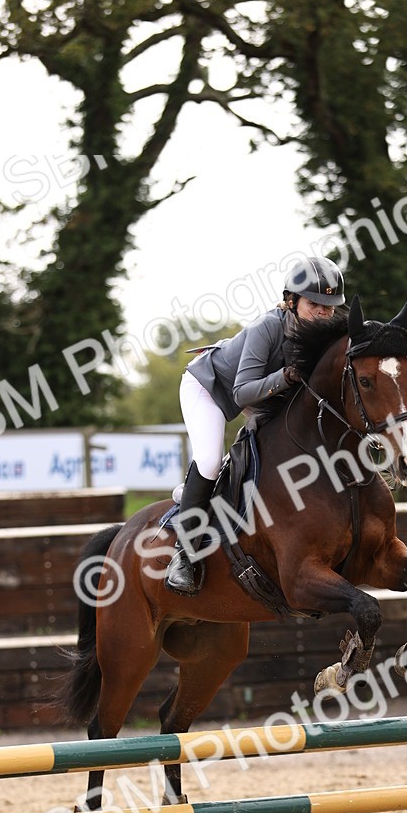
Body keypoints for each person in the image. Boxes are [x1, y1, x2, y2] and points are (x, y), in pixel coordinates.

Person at [165, 255, 346, 596]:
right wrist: (285, 376)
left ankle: (208, 490)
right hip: (210, 388)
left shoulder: (320, 340)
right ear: (291, 301)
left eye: (329, 307)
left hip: (260, 396)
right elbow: (242, 390)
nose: (323, 312)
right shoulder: (268, 327)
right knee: (208, 461)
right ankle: (184, 555)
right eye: (314, 304)